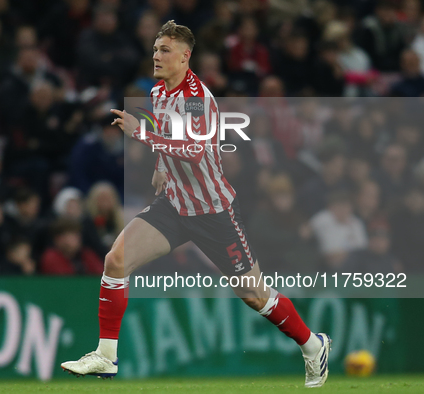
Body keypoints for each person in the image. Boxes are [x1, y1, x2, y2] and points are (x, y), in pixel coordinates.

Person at [61, 21, 331, 388]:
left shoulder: (196, 98)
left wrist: (141, 134)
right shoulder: (159, 91)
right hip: (173, 204)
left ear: (186, 57)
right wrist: (159, 167)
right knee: (116, 260)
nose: (156, 55)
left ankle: (313, 346)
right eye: (156, 49)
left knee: (254, 295)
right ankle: (105, 356)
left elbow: (193, 150)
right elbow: (169, 136)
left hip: (212, 211)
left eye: (165, 50)